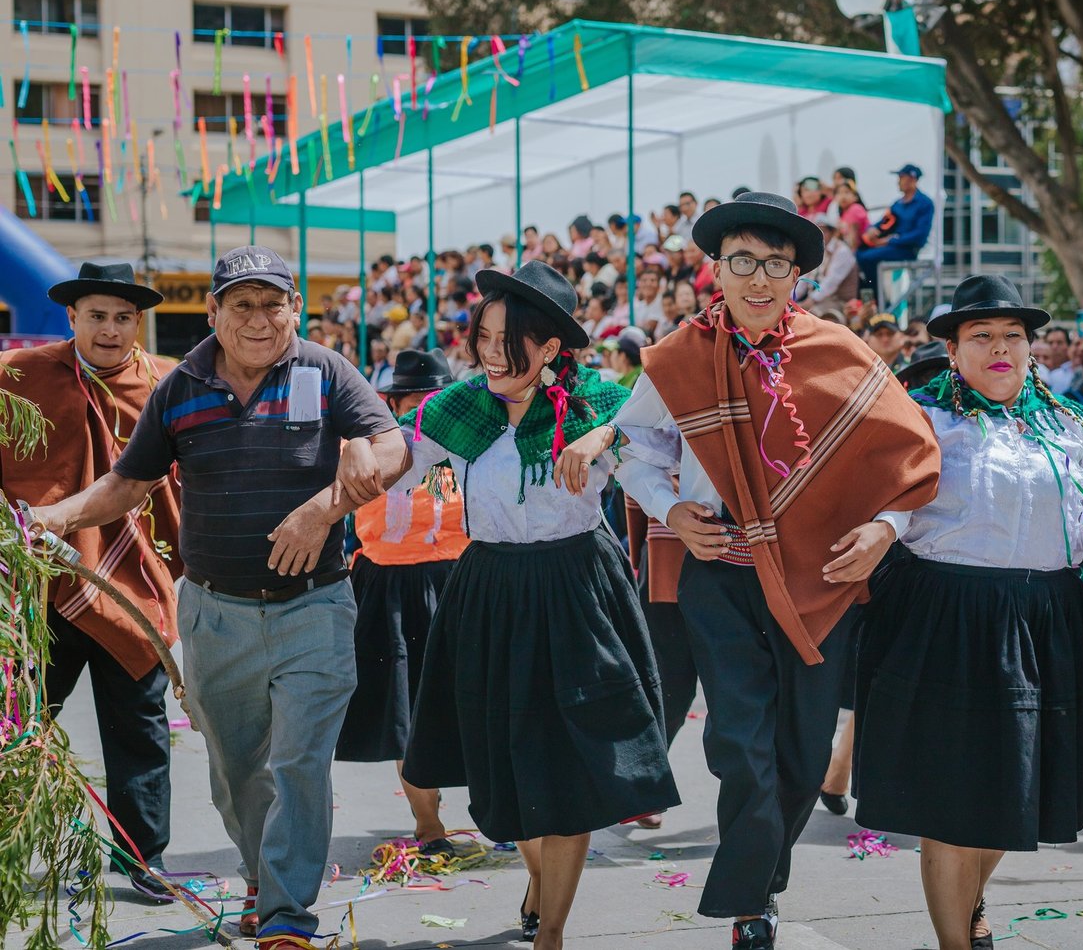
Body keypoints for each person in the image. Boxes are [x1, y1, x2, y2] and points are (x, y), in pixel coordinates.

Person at [585, 191, 941, 949]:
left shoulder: (840, 352)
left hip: (825, 577)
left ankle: (762, 875)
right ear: (715, 268)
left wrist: (885, 530)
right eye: (742, 261)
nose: (758, 278)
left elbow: (908, 461)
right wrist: (670, 509)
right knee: (740, 742)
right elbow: (630, 445)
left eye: (775, 264)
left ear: (797, 276)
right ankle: (751, 902)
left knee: (805, 749)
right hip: (722, 570)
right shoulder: (679, 356)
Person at [28, 247, 410, 949]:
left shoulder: (326, 372)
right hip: (215, 613)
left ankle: (287, 916)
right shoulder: (182, 387)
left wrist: (326, 505)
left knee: (298, 760)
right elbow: (128, 485)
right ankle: (261, 874)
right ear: (213, 312)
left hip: (315, 607)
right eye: (243, 304)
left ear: (295, 309)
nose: (260, 319)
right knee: (237, 771)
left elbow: (391, 449)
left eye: (274, 304)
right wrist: (49, 519)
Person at [853, 275, 1083, 950]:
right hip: (950, 616)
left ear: (1033, 348)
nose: (1000, 348)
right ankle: (955, 942)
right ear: (954, 351)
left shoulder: (1075, 428)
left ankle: (969, 908)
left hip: (1047, 615)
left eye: (1013, 336)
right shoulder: (922, 420)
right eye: (982, 336)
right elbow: (880, 504)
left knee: (1010, 796)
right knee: (956, 802)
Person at [390, 262, 680, 947]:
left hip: (579, 588)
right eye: (483, 335)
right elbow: (396, 465)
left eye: (507, 338)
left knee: (572, 766)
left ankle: (551, 929)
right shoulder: (457, 408)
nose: (490, 351)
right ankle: (538, 881)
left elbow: (663, 423)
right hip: (490, 590)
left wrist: (602, 435)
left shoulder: (596, 405)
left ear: (552, 348)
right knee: (505, 762)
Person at [1, 262, 181, 902]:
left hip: (133, 587)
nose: (110, 330)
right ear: (71, 317)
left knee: (139, 730)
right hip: (38, 590)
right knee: (19, 729)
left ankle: (142, 859)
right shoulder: (15, 379)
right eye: (97, 316)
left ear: (139, 322)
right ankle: (10, 847)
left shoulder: (167, 384)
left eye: (123, 317)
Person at [334, 349, 470, 858]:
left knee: (474, 702)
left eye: (434, 400)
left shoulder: (466, 447)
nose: (421, 411)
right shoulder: (365, 448)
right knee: (405, 713)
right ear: (391, 403)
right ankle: (429, 826)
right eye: (411, 400)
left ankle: (498, 809)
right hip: (385, 586)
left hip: (455, 578)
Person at [858, 164, 936, 293]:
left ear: (912, 179)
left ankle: (877, 295)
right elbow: (884, 222)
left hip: (907, 249)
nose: (898, 181)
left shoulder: (925, 203)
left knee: (868, 258)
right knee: (860, 253)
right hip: (892, 246)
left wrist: (891, 240)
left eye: (901, 177)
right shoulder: (898, 203)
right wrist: (871, 230)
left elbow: (920, 235)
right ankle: (871, 292)